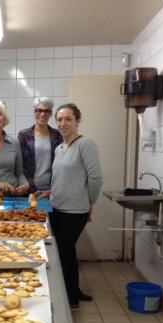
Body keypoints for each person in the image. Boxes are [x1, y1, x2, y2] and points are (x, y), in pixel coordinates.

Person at [48, 103, 103, 310]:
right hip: (56, 208)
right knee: (68, 251)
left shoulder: (85, 144)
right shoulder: (59, 148)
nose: (63, 123)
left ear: (77, 121)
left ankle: (68, 299)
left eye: (68, 119)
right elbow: (60, 177)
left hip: (75, 210)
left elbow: (95, 178)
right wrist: (50, 193)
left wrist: (90, 202)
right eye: (60, 119)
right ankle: (74, 290)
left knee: (62, 251)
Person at [18, 97, 62, 194]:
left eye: (47, 111)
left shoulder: (57, 135)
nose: (42, 114)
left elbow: (60, 164)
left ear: (50, 114)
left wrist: (52, 190)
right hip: (28, 188)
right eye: (39, 110)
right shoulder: (24, 135)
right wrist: (29, 186)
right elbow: (20, 165)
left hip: (51, 189)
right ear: (34, 112)